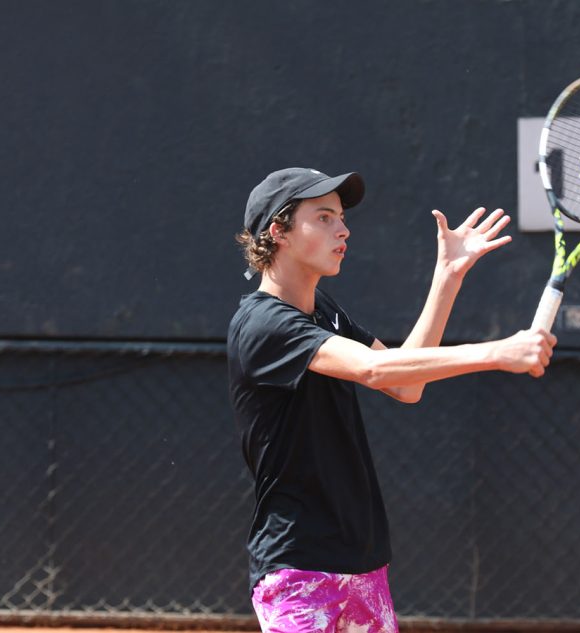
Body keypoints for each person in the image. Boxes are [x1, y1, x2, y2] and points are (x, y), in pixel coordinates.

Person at [227, 167, 556, 632]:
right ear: (278, 231)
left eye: (341, 218)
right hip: (298, 571)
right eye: (323, 217)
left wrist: (447, 278)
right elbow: (372, 369)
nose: (343, 230)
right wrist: (497, 352)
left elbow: (406, 384)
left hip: (363, 563)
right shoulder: (264, 325)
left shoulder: (324, 311)